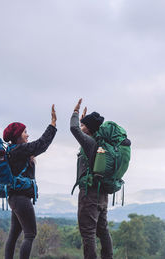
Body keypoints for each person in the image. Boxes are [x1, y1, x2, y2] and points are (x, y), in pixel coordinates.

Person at [3, 104, 57, 259]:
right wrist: (53, 124)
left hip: (14, 198)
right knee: (30, 234)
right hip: (20, 199)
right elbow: (41, 144)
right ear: (18, 136)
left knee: (13, 235)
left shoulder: (14, 151)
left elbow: (36, 147)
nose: (27, 135)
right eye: (25, 132)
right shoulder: (19, 150)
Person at [70, 98, 113, 259]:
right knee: (103, 230)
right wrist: (84, 121)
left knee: (88, 233)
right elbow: (82, 129)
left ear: (88, 129)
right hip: (102, 194)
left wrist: (75, 113)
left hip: (90, 194)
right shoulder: (98, 142)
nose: (81, 128)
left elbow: (74, 128)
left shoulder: (89, 142)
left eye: (84, 126)